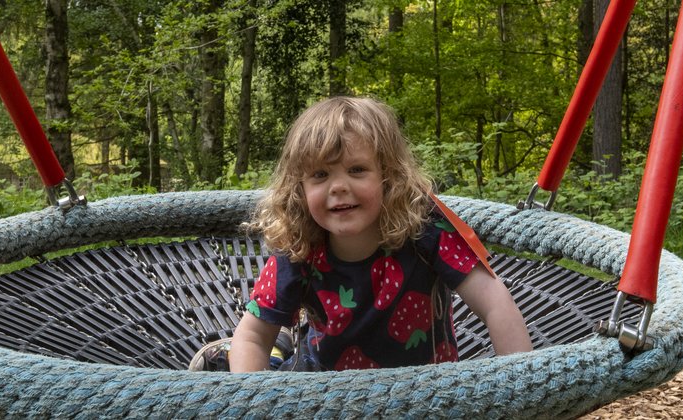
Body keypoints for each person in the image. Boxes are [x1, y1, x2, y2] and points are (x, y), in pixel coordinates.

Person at [226, 96, 532, 372]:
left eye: (357, 170)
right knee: (267, 359)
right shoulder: (300, 249)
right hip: (323, 398)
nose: (338, 186)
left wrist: (522, 391)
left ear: (389, 177)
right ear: (299, 189)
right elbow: (251, 338)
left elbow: (495, 303)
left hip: (426, 394)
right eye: (320, 175)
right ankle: (279, 351)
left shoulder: (426, 232)